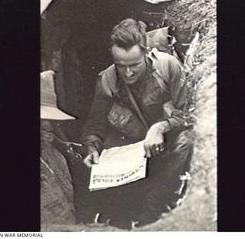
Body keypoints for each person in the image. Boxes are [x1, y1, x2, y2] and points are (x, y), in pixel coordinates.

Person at [71, 18, 194, 229]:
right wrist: (91, 147)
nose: (128, 73)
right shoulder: (107, 81)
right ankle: (119, 216)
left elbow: (189, 115)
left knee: (188, 141)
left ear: (146, 53)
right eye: (121, 66)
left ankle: (152, 214)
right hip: (133, 154)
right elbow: (94, 127)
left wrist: (160, 127)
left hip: (167, 145)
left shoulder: (168, 68)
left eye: (134, 65)